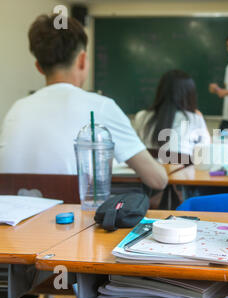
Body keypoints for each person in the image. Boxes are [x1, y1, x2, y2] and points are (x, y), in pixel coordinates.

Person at [0, 14, 167, 190]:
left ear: (39, 67)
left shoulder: (16, 109)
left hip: (13, 216)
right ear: (81, 60)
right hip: (74, 216)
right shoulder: (102, 107)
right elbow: (158, 180)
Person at [134, 70, 210, 158]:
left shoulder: (142, 116)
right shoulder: (194, 119)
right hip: (180, 170)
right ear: (189, 94)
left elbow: (135, 149)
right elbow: (206, 150)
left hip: (148, 170)